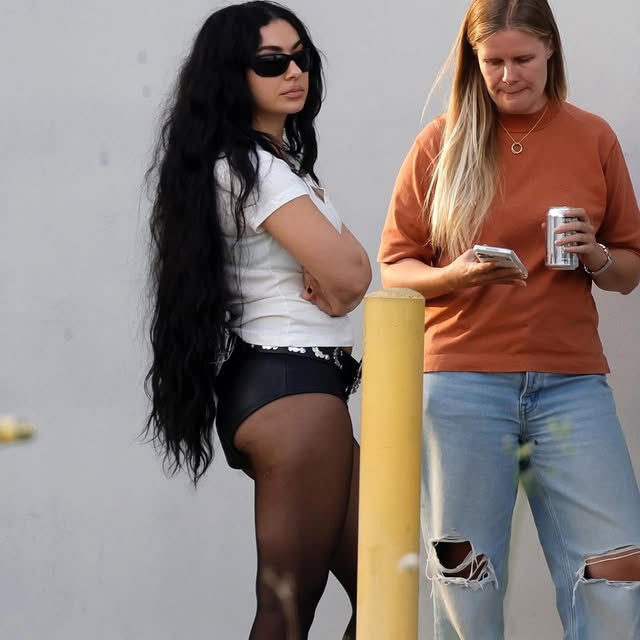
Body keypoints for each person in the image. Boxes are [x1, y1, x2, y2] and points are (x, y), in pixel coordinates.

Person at [377, 0, 640, 638]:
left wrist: (595, 254)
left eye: (521, 58)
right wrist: (456, 276)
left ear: (551, 49)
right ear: (473, 61)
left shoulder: (593, 137)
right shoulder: (441, 142)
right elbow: (395, 267)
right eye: (491, 61)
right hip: (462, 383)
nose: (506, 75)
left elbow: (628, 271)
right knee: (464, 575)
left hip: (570, 386)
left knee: (616, 566)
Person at [144, 3, 371, 639]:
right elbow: (353, 274)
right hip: (292, 391)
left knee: (385, 588)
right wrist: (337, 278)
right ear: (230, 74)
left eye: (301, 58)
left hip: (291, 388)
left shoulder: (270, 163)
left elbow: (348, 271)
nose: (293, 72)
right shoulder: (255, 171)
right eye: (271, 63)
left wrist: (339, 274)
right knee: (288, 606)